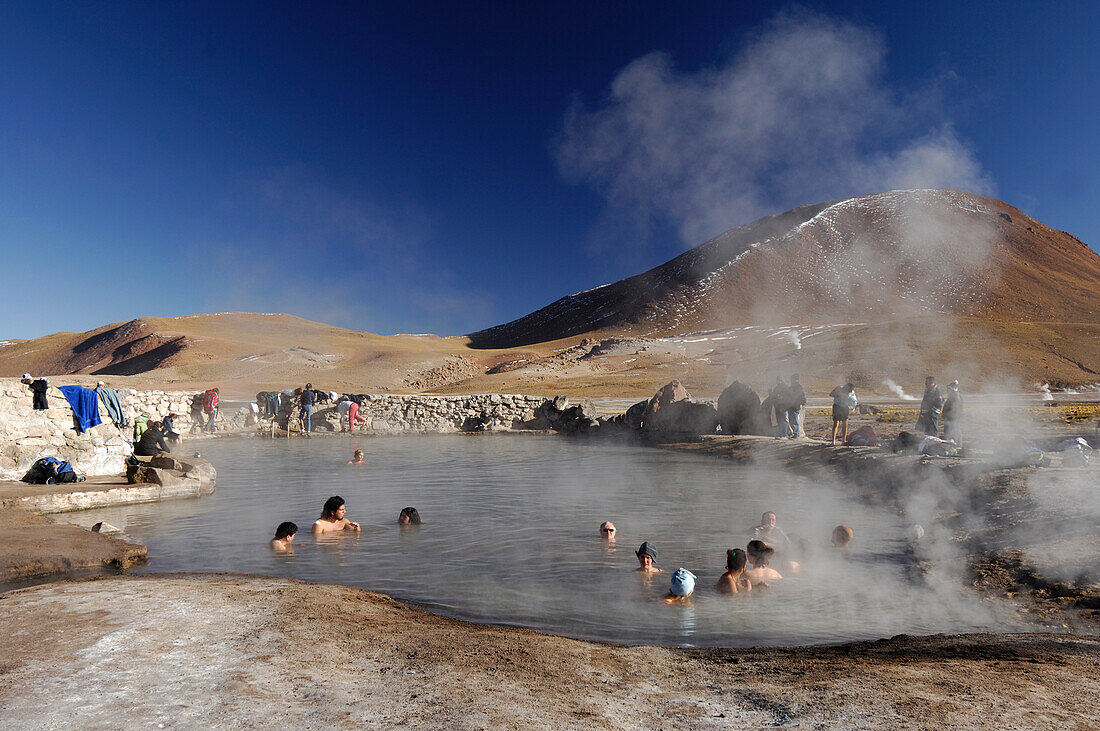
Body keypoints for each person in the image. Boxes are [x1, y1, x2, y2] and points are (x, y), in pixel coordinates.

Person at [786, 374, 806, 439]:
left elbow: (801, 396)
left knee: (794, 420)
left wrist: (801, 403)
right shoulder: (793, 387)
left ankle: (796, 434)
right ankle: (795, 433)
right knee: (792, 419)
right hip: (791, 405)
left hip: (795, 406)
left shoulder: (798, 387)